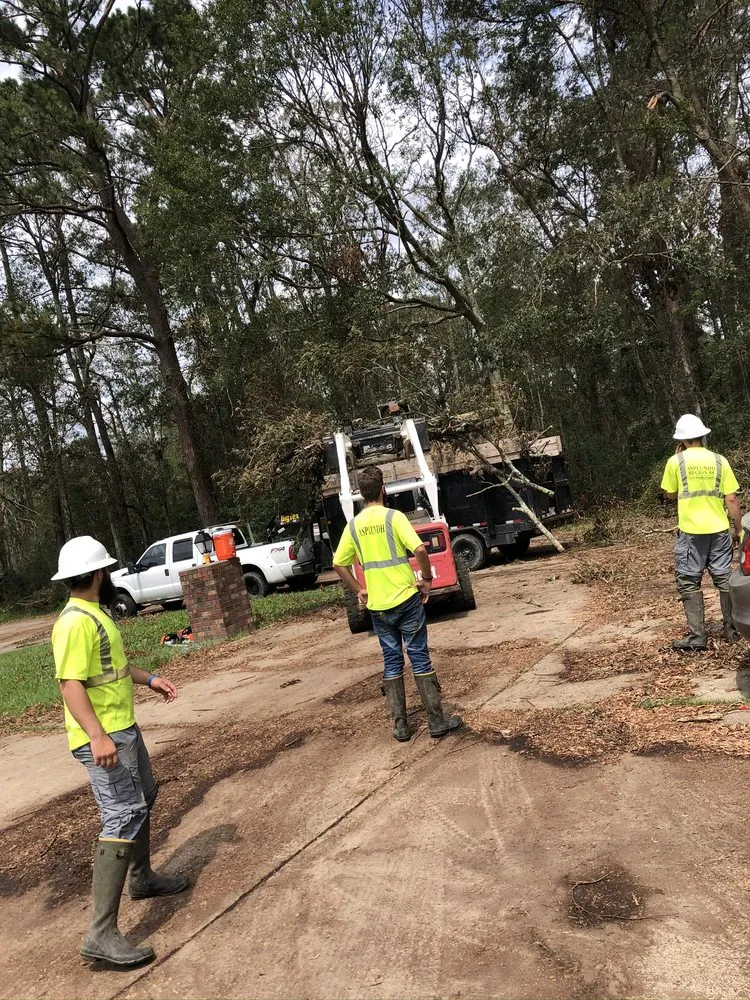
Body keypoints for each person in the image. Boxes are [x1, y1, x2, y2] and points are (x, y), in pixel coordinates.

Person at [51, 536, 189, 967]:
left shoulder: (95, 614)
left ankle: (142, 878)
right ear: (97, 574)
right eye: (106, 570)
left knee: (143, 797)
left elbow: (112, 668)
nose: (110, 576)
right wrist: (96, 735)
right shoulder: (75, 622)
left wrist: (151, 680)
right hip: (105, 738)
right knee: (123, 813)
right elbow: (70, 683)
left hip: (122, 729)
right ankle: (100, 934)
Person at [333, 466, 462, 741]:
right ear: (382, 489)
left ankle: (401, 726)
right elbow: (419, 549)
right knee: (418, 655)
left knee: (391, 661)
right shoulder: (394, 517)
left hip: (378, 606)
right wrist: (426, 579)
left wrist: (359, 590)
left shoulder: (353, 526)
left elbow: (338, 564)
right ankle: (436, 722)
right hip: (406, 599)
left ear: (359, 495)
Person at [661, 415, 742, 650]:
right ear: (702, 436)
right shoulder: (720, 461)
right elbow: (732, 500)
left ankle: (697, 637)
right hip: (718, 531)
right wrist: (737, 530)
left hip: (691, 532)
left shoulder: (675, 462)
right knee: (725, 580)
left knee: (688, 581)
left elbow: (670, 494)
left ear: (683, 440)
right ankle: (732, 631)